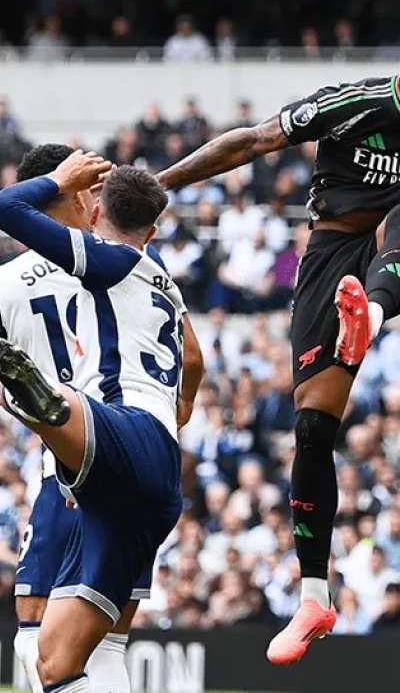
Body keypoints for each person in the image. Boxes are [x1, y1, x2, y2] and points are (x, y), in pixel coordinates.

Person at [156, 12, 400, 663]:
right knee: (311, 429)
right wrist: (159, 187)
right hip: (330, 257)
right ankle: (313, 595)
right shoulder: (351, 104)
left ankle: (376, 320)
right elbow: (250, 142)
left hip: (392, 260)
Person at [0, 152, 202, 693]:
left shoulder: (106, 258)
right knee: (61, 660)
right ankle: (54, 414)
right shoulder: (161, 276)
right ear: (153, 229)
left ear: (96, 215)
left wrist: (57, 182)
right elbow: (198, 361)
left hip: (104, 432)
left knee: (32, 626)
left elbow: (6, 207)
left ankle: (41, 397)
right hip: (153, 466)